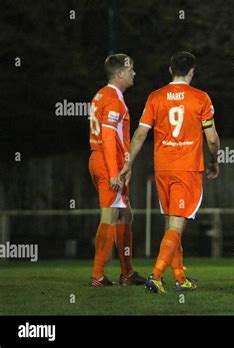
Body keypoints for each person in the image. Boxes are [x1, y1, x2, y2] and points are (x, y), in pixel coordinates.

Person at [120, 51, 220, 293]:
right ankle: (156, 276)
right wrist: (214, 160)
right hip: (186, 168)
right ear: (192, 71)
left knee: (170, 224)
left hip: (163, 168)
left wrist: (128, 162)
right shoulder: (201, 98)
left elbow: (140, 134)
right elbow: (212, 138)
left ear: (170, 69)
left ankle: (179, 277)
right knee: (176, 225)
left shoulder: (156, 97)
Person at [88, 54, 146, 286]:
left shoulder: (102, 94)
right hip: (105, 161)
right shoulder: (113, 98)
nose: (134, 73)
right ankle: (98, 275)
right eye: (130, 69)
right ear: (120, 73)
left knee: (124, 214)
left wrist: (125, 164)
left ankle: (127, 273)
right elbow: (109, 137)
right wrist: (114, 171)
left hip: (100, 159)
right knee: (109, 215)